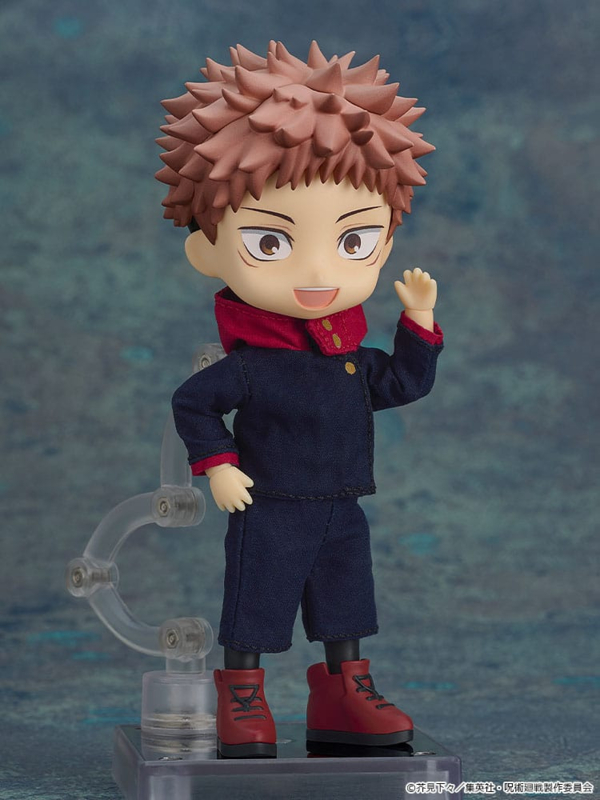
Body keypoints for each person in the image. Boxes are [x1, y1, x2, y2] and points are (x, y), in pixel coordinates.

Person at [157, 40, 443, 758]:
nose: (318, 271)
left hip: (341, 502)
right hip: (271, 502)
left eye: (353, 243)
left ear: (383, 243)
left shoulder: (349, 357)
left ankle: (343, 690)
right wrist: (219, 464)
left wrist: (418, 323)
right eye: (270, 242)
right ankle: (243, 692)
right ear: (208, 250)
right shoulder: (250, 366)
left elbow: (404, 383)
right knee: (256, 601)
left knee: (346, 601)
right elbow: (193, 404)